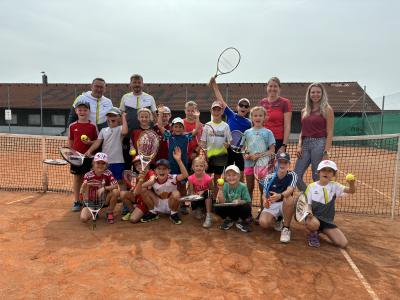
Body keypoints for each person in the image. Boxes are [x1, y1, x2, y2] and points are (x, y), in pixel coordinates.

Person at [304, 160, 356, 248]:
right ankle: (313, 233)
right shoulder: (311, 187)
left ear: (333, 174)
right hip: (313, 218)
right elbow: (307, 205)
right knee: (314, 224)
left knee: (343, 243)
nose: (326, 173)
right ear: (319, 172)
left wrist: (352, 184)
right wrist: (309, 212)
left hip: (327, 221)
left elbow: (351, 191)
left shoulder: (335, 186)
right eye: (323, 170)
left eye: (329, 171)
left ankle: (322, 230)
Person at [209, 76, 251, 180]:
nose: (243, 107)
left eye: (246, 106)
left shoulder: (249, 123)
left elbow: (251, 137)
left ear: (248, 109)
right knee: (228, 174)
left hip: (240, 151)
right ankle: (227, 194)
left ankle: (240, 194)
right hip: (228, 149)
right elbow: (220, 100)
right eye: (241, 105)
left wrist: (247, 149)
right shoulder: (231, 115)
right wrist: (214, 84)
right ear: (237, 107)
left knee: (241, 174)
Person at [294, 83, 334, 192]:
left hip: (319, 144)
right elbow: (303, 131)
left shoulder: (327, 109)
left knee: (317, 176)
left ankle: (320, 202)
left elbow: (330, 132)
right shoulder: (304, 111)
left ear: (322, 94)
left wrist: (326, 152)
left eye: (318, 92)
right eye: (313, 92)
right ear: (309, 94)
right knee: (295, 176)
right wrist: (299, 145)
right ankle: (310, 196)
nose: (315, 94)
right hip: (305, 145)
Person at [140, 148, 189, 225]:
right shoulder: (153, 179)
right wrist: (148, 181)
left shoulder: (172, 178)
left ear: (169, 171)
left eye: (164, 169)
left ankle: (173, 214)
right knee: (144, 190)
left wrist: (179, 160)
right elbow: (140, 188)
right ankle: (153, 212)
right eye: (159, 169)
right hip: (158, 203)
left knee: (176, 193)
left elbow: (185, 175)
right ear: (155, 171)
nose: (161, 171)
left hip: (171, 204)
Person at [258, 152, 297, 243]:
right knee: (263, 223)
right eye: (280, 162)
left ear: (289, 164)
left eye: (285, 162)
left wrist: (280, 195)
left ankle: (286, 228)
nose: (282, 165)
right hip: (273, 204)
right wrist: (265, 201)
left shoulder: (292, 175)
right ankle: (278, 219)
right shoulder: (268, 177)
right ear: (275, 162)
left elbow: (290, 190)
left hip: (285, 203)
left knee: (289, 198)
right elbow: (265, 194)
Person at [68, 99, 98, 212]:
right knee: (77, 179)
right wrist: (71, 152)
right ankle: (76, 201)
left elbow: (96, 141)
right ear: (76, 111)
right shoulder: (72, 126)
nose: (82, 112)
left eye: (85, 110)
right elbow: (70, 140)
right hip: (76, 158)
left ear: (89, 111)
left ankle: (86, 200)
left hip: (89, 158)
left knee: (88, 179)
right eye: (80, 110)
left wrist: (90, 148)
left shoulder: (92, 126)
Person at [241, 106, 275, 203]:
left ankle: (262, 211)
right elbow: (243, 148)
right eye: (255, 115)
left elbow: (272, 150)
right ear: (251, 117)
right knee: (249, 187)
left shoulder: (268, 132)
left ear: (264, 117)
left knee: (262, 189)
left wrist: (259, 156)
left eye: (260, 115)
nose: (258, 118)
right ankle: (248, 213)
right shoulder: (247, 132)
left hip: (262, 165)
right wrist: (246, 155)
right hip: (249, 164)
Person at [85, 107, 128, 182]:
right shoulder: (103, 130)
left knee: (118, 182)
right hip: (104, 162)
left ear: (119, 118)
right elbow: (97, 142)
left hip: (118, 161)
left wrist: (123, 116)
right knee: (105, 182)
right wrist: (89, 151)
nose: (111, 118)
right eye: (109, 116)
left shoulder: (120, 128)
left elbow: (124, 132)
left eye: (114, 116)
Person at [200, 101, 232, 197]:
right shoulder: (207, 125)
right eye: (215, 109)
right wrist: (205, 155)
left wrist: (228, 144)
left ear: (222, 111)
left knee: (218, 178)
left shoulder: (226, 126)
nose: (216, 112)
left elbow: (229, 141)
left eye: (219, 110)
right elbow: (203, 142)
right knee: (208, 178)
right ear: (211, 111)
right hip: (209, 156)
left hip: (221, 157)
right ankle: (207, 197)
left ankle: (214, 198)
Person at [79, 153, 120, 224]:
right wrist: (84, 186)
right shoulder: (88, 175)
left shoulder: (108, 173)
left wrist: (104, 188)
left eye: (103, 163)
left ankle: (109, 212)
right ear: (93, 163)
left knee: (115, 191)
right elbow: (82, 191)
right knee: (83, 219)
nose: (100, 165)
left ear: (107, 165)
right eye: (98, 163)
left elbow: (116, 185)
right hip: (91, 201)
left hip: (104, 200)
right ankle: (93, 210)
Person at [215, 165, 252, 232]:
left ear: (239, 176)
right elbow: (221, 202)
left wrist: (239, 201)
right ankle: (229, 219)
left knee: (247, 207)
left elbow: (247, 201)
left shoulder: (243, 186)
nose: (231, 177)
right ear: (225, 177)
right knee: (217, 207)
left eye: (234, 175)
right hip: (229, 209)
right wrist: (220, 189)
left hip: (239, 209)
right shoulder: (224, 186)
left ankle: (240, 221)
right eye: (229, 175)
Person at [260, 77, 292, 153]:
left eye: (275, 86)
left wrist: (284, 145)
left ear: (279, 88)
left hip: (278, 141)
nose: (272, 88)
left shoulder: (285, 102)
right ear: (267, 87)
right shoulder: (262, 102)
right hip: (263, 139)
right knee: (262, 164)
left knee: (276, 165)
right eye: (270, 86)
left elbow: (287, 126)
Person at [120, 155, 156, 223]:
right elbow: (135, 192)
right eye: (136, 165)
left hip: (147, 202)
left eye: (140, 163)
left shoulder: (150, 172)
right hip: (139, 199)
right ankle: (132, 211)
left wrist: (140, 184)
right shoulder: (137, 176)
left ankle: (151, 212)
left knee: (133, 219)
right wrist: (136, 185)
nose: (138, 166)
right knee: (122, 194)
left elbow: (152, 180)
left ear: (146, 164)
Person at [187, 157, 213, 228]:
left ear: (204, 167)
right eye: (197, 166)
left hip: (206, 198)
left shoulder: (208, 178)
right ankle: (198, 208)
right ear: (193, 167)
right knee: (198, 216)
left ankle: (208, 216)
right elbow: (191, 192)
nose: (199, 168)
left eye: (201, 166)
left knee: (208, 192)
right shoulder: (190, 178)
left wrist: (203, 192)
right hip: (196, 199)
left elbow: (211, 190)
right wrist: (196, 194)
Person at [183, 101, 203, 166]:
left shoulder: (200, 125)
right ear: (185, 111)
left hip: (195, 157)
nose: (190, 113)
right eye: (188, 111)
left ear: (196, 112)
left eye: (192, 111)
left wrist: (195, 152)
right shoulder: (180, 123)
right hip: (182, 156)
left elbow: (202, 141)